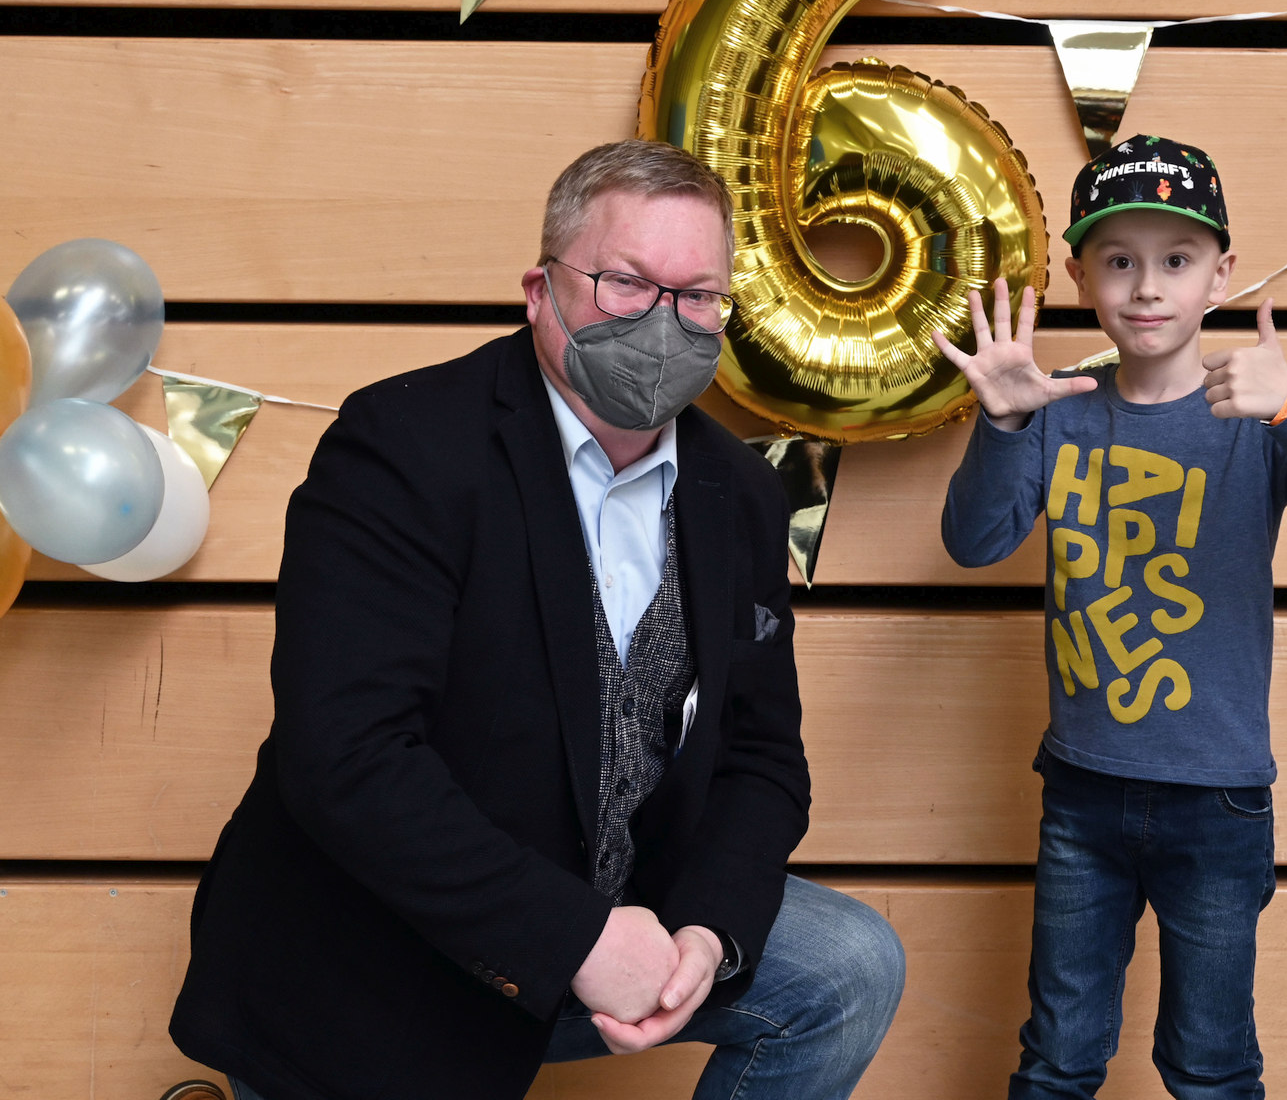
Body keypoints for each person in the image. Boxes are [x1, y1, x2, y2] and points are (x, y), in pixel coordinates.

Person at [170, 140, 905, 1100]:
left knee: (850, 965)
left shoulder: (740, 494)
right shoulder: (403, 445)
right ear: (539, 290)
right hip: (386, 939)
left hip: (625, 908)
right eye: (624, 283)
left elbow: (763, 760)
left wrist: (706, 931)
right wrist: (575, 937)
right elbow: (344, 755)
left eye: (698, 297)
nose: (664, 321)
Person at [933, 134, 1287, 1099]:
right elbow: (974, 542)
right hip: (1081, 790)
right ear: (1080, 277)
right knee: (1058, 1058)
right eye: (1120, 262)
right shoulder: (1058, 405)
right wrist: (1005, 425)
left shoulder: (1254, 410)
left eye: (1176, 261)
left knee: (1210, 1064)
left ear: (1221, 275)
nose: (1147, 288)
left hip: (1218, 801)